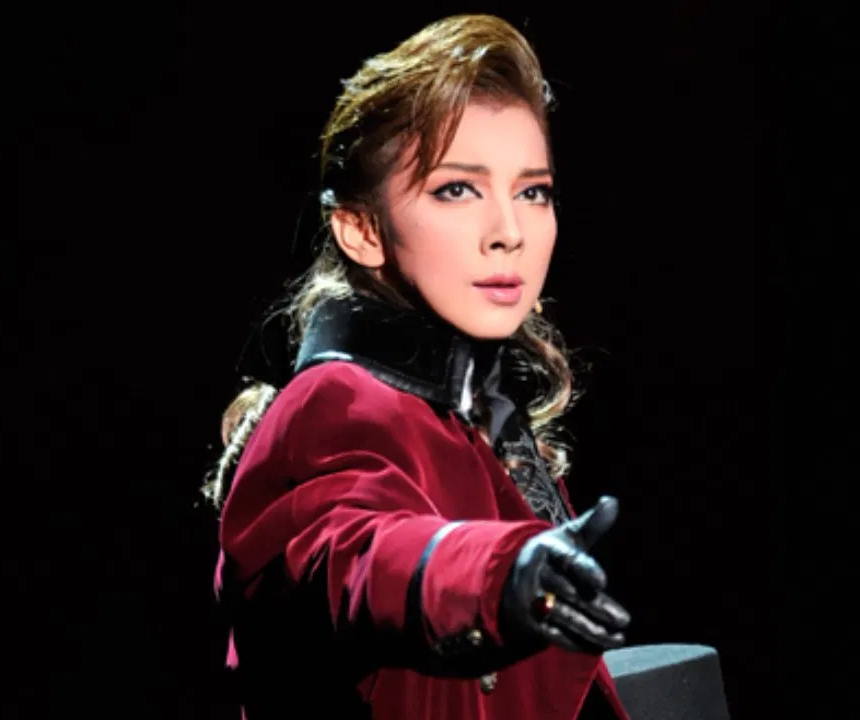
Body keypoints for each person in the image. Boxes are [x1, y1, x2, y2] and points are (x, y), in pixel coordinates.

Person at [205, 14, 632, 719]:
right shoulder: (333, 405)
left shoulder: (482, 417)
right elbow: (361, 555)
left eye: (533, 191)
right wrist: (496, 577)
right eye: (456, 190)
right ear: (361, 229)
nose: (510, 232)